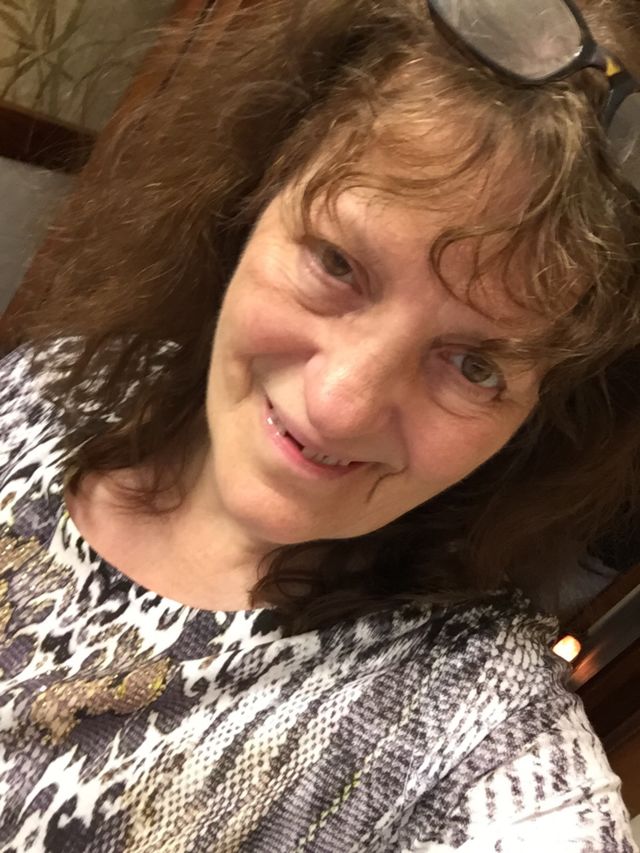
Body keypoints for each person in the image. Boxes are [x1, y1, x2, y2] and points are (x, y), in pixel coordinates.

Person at [0, 0, 639, 849]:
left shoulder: (468, 741)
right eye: (338, 263)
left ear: (540, 414)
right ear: (256, 194)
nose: (341, 405)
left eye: (475, 365)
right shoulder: (57, 383)